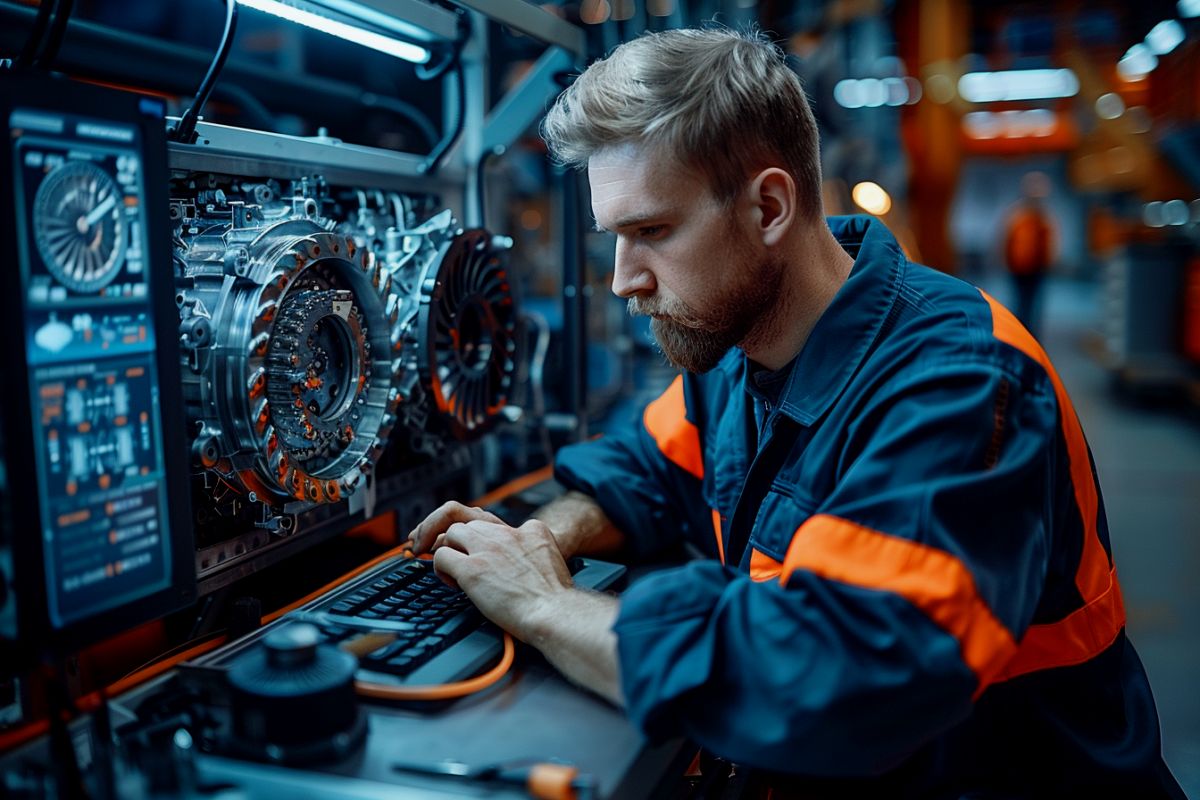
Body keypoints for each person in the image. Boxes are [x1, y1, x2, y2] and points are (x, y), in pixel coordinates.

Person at [408, 28, 1184, 798]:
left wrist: (545, 605)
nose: (622, 282)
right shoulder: (740, 352)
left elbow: (836, 681)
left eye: (650, 232)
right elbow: (642, 471)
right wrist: (543, 538)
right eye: (615, 238)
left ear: (770, 206)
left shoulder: (955, 381)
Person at [1003, 172, 1056, 338]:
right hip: (1018, 268)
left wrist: (1049, 263)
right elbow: (1006, 241)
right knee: (1021, 303)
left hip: (1037, 269)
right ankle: (1021, 334)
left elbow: (1049, 244)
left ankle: (1031, 336)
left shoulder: (1044, 219)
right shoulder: (1017, 216)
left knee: (1034, 304)